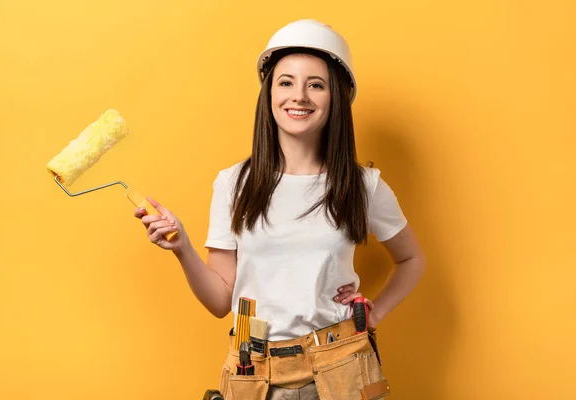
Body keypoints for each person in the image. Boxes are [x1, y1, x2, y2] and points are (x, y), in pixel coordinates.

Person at [134, 19, 426, 400]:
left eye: (315, 85)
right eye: (285, 82)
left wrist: (376, 313)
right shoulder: (233, 184)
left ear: (335, 97)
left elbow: (412, 259)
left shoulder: (362, 185)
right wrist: (183, 248)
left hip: (342, 364)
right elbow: (221, 301)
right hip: (253, 369)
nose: (298, 96)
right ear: (269, 93)